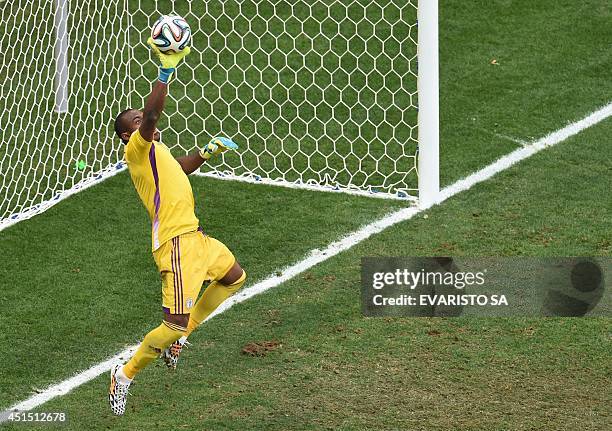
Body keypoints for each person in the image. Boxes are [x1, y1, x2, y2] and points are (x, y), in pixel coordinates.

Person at [108, 38, 246, 416]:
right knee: (171, 323)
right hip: (176, 244)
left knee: (234, 277)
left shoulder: (159, 152)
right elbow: (152, 117)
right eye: (136, 121)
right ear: (128, 135)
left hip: (195, 237)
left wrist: (205, 153)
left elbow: (179, 169)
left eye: (141, 118)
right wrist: (165, 71)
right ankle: (124, 374)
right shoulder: (137, 149)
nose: (144, 121)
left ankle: (182, 339)